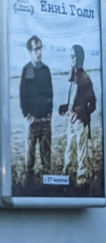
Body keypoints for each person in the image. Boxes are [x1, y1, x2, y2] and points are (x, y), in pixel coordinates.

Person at [59, 44, 97, 187]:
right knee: (69, 148)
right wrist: (65, 108)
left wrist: (80, 113)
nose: (72, 59)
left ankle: (81, 180)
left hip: (80, 123)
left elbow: (92, 105)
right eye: (71, 56)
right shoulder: (74, 78)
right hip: (71, 121)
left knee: (81, 150)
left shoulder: (85, 79)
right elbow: (74, 100)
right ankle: (67, 177)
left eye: (74, 56)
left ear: (79, 57)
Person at [19, 35, 54, 181]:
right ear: (30, 51)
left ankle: (47, 188)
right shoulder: (26, 70)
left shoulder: (45, 70)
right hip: (32, 122)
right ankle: (29, 185)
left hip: (45, 121)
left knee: (46, 159)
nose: (39, 52)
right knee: (30, 160)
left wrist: (49, 113)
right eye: (35, 49)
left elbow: (49, 94)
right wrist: (27, 116)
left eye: (40, 48)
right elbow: (22, 96)